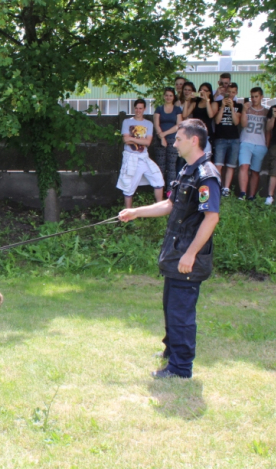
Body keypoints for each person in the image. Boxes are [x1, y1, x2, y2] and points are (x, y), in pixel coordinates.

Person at [119, 119, 221, 379]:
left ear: (193, 140)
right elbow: (169, 205)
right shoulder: (187, 170)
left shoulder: (206, 175)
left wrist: (191, 254)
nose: (174, 143)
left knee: (181, 312)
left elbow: (211, 218)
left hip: (188, 254)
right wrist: (135, 212)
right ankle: (171, 351)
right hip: (176, 251)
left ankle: (180, 367)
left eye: (178, 139)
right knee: (170, 306)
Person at [116, 99, 164, 208]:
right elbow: (125, 140)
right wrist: (138, 140)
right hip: (131, 158)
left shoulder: (148, 124)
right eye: (136, 108)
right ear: (134, 108)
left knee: (158, 179)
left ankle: (160, 209)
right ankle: (128, 213)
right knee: (129, 187)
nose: (138, 110)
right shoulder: (127, 122)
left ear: (144, 109)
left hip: (144, 157)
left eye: (140, 108)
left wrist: (132, 139)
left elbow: (147, 142)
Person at [238, 87, 268, 200]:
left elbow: (268, 130)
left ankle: (252, 195)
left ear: (261, 97)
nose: (254, 99)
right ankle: (242, 193)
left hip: (260, 144)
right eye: (252, 96)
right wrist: (244, 110)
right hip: (246, 141)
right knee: (244, 166)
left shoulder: (266, 112)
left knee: (255, 171)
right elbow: (243, 124)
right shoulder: (247, 109)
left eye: (256, 96)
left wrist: (267, 145)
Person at [213, 82, 243, 196]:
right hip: (220, 138)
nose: (230, 94)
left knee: (231, 165)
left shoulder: (239, 106)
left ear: (236, 93)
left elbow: (236, 122)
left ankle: (226, 188)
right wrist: (223, 106)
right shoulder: (218, 103)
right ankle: (216, 187)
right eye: (229, 92)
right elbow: (217, 121)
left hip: (234, 139)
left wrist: (231, 107)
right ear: (225, 92)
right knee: (218, 165)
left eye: (233, 92)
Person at [153, 87, 183, 190]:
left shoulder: (177, 109)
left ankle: (170, 192)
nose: (168, 97)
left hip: (173, 140)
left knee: (171, 167)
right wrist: (161, 137)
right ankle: (159, 190)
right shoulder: (159, 109)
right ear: (163, 96)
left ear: (173, 97)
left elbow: (178, 125)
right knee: (160, 166)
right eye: (166, 95)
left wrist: (164, 134)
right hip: (160, 140)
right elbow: (156, 124)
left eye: (170, 95)